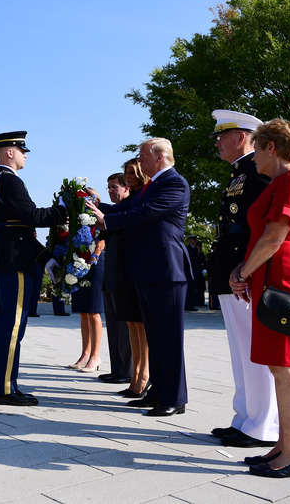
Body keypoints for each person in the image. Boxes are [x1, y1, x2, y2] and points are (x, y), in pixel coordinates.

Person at [228, 118, 290, 478]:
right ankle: (283, 444)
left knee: (285, 368)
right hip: (273, 279)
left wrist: (242, 272)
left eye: (257, 150)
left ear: (270, 148)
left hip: (283, 281)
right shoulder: (282, 181)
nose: (253, 160)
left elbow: (274, 236)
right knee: (278, 367)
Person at [86, 138, 191, 417]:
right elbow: (125, 209)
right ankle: (157, 391)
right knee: (155, 336)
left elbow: (146, 213)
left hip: (166, 270)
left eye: (143, 155)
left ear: (160, 157)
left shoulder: (174, 183)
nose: (139, 160)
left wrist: (105, 219)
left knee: (168, 337)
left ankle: (175, 397)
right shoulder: (152, 185)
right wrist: (94, 206)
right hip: (147, 269)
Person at [206, 109, 279, 449]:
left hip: (244, 274)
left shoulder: (258, 171)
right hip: (231, 272)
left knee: (254, 351)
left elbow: (262, 227)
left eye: (223, 136)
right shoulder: (240, 173)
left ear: (242, 137)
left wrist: (246, 269)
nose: (217, 142)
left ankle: (262, 425)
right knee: (240, 350)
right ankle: (245, 418)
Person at [0, 131, 66, 406]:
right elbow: (32, 217)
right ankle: (4, 390)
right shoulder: (9, 180)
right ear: (9, 152)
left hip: (11, 256)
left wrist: (45, 258)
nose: (25, 154)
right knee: (12, 326)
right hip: (13, 261)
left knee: (10, 326)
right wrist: (62, 211)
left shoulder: (3, 180)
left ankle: (5, 384)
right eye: (22, 150)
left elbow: (22, 230)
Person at [112, 158, 151, 399]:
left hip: (140, 265)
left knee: (141, 324)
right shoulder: (131, 199)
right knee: (132, 323)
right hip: (126, 266)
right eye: (125, 173)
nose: (128, 176)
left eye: (131, 172)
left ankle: (144, 375)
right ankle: (136, 373)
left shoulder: (143, 196)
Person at [97, 173, 133, 385]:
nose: (111, 190)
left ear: (126, 188)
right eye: (108, 187)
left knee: (124, 325)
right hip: (110, 273)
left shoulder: (129, 209)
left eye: (114, 187)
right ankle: (117, 368)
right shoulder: (111, 212)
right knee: (112, 323)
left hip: (124, 274)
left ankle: (127, 369)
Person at [67, 187, 106, 374]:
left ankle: (95, 356)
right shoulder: (78, 220)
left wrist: (95, 256)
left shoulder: (99, 216)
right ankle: (85, 353)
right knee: (83, 312)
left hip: (95, 263)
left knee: (93, 311)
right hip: (80, 264)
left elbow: (103, 239)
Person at [185, 235, 205, 311]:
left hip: (195, 270)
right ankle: (188, 305)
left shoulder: (195, 249)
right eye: (194, 239)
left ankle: (191, 305)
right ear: (190, 240)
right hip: (190, 271)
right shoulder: (188, 249)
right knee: (190, 289)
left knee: (193, 288)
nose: (195, 241)